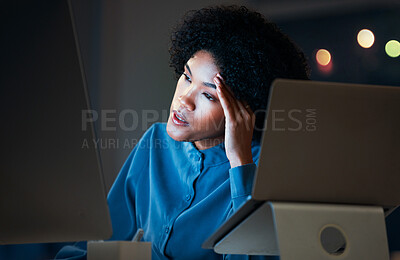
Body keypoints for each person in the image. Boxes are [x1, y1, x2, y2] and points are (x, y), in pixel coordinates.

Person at [55, 5, 309, 260]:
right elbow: (96, 245)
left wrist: (240, 163)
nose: (185, 100)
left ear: (244, 111)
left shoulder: (266, 167)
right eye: (187, 78)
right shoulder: (154, 142)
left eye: (208, 95)